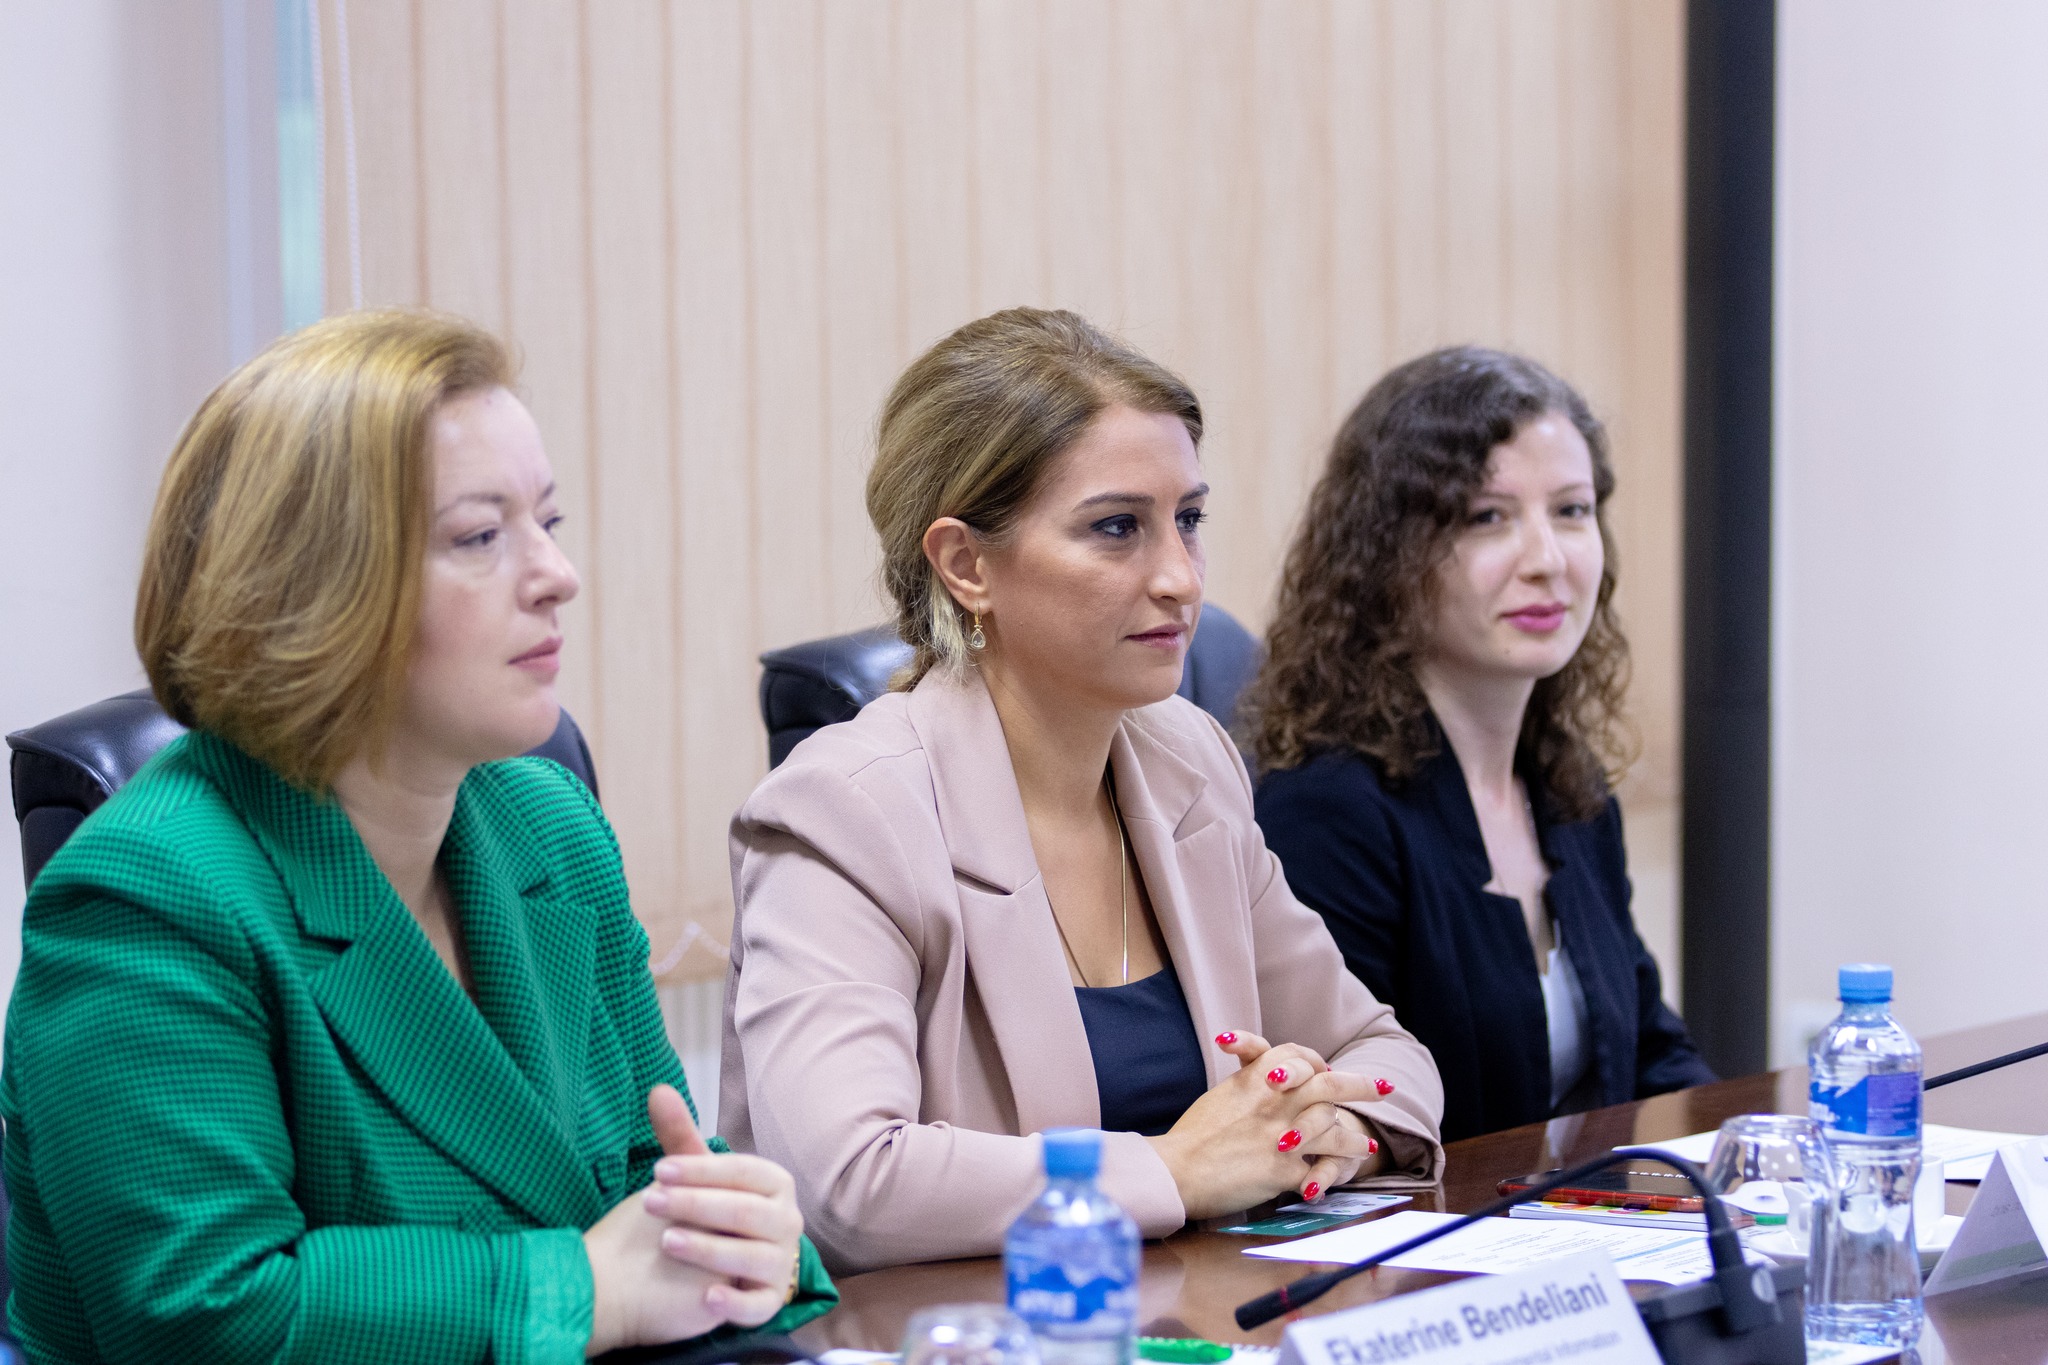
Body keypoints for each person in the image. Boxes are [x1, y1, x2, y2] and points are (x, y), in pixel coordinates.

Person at [0, 311, 835, 1363]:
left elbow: (646, 1184)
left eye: (547, 521)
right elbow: (210, 1314)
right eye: (481, 537)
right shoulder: (146, 893)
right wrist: (583, 1287)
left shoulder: (550, 826)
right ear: (309, 589)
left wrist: (744, 1237)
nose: (557, 574)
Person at [712, 308, 1443, 1275]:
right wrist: (1175, 1170)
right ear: (966, 564)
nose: (1181, 578)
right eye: (1116, 528)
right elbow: (848, 1182)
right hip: (941, 1333)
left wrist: (1333, 1129)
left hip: (1184, 1316)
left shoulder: (1190, 763)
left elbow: (1382, 1052)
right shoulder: (844, 810)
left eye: (1188, 520)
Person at [1242, 346, 1715, 1144]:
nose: (1547, 560)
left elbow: (1648, 1051)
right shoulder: (1327, 807)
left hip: (1574, 1215)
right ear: (1387, 555)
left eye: (1571, 510)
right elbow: (1342, 1112)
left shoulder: (1568, 788)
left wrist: (1762, 1158)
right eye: (1487, 517)